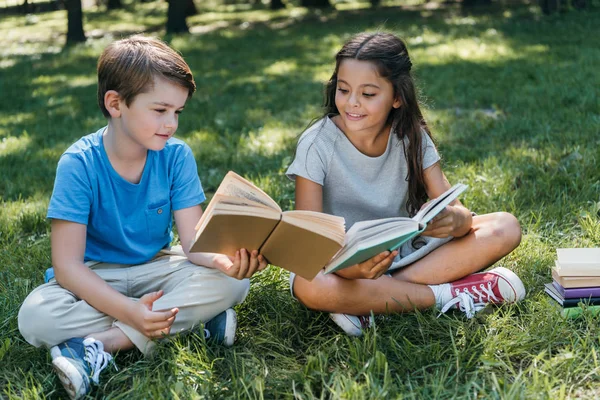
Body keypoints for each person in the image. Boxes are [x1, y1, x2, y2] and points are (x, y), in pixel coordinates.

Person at [17, 35, 267, 400]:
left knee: (234, 285)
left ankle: (97, 345)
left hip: (160, 267)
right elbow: (68, 267)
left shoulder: (177, 156)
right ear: (116, 103)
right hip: (97, 276)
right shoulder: (78, 163)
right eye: (160, 110)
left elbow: (194, 245)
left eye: (177, 112)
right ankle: (192, 322)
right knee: (35, 316)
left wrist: (225, 263)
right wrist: (130, 310)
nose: (172, 123)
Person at [286, 32, 526, 337]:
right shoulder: (316, 144)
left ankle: (371, 301)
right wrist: (348, 269)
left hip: (406, 256)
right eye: (343, 90)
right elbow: (309, 242)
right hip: (340, 264)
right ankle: (447, 296)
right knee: (308, 284)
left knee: (506, 226)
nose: (352, 103)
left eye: (368, 94)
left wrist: (455, 221)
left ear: (397, 97)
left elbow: (463, 217)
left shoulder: (412, 137)